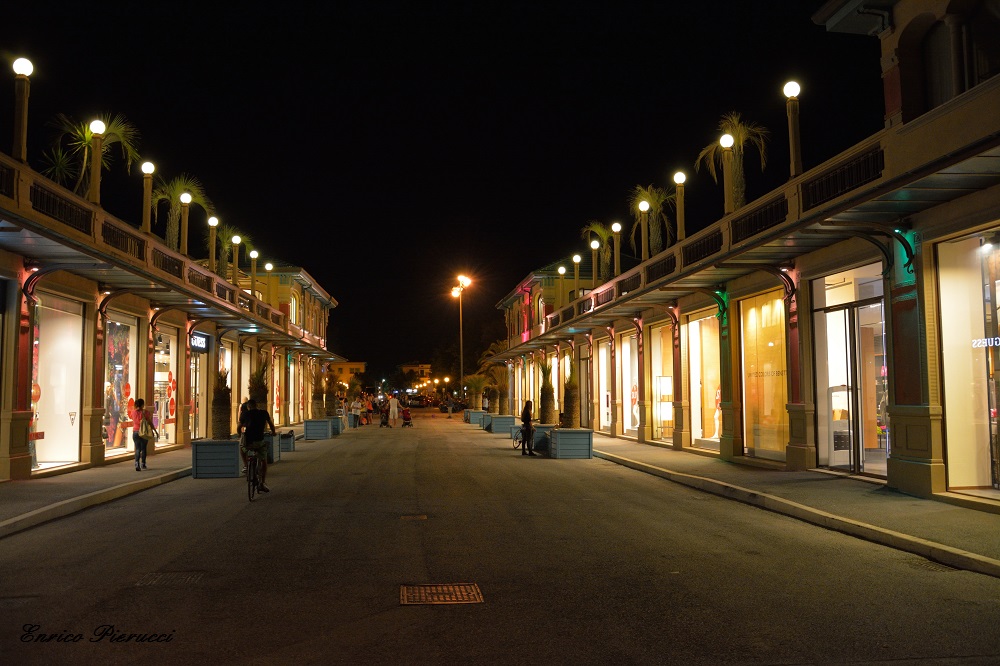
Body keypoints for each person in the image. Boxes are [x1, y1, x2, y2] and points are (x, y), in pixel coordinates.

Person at [239, 398, 276, 492]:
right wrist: (273, 432)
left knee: (242, 448)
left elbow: (239, 427)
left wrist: (240, 435)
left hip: (248, 443)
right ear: (257, 405)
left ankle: (246, 466)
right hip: (259, 442)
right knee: (263, 460)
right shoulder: (264, 413)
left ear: (248, 406)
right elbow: (271, 424)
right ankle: (262, 483)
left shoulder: (245, 414)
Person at [129, 398, 158, 471]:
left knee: (137, 449)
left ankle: (136, 463)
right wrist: (155, 431)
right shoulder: (146, 412)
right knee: (144, 448)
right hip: (144, 432)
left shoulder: (133, 412)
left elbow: (132, 418)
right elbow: (150, 422)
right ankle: (143, 463)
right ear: (143, 404)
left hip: (135, 431)